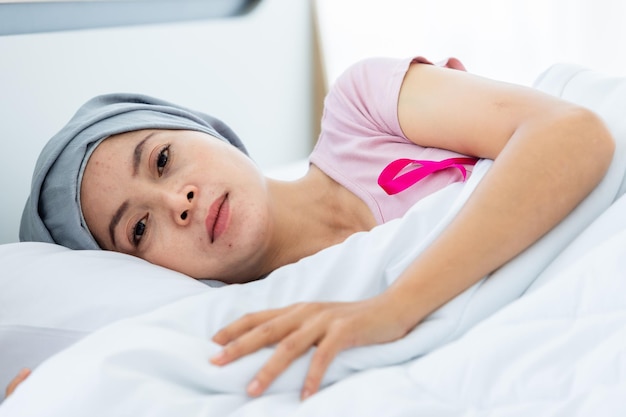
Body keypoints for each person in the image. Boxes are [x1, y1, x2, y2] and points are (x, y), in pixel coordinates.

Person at [19, 56, 614, 400]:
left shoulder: (361, 110)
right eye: (140, 229)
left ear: (203, 128)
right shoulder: (253, 327)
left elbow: (574, 132)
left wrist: (398, 305)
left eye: (163, 160)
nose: (179, 201)